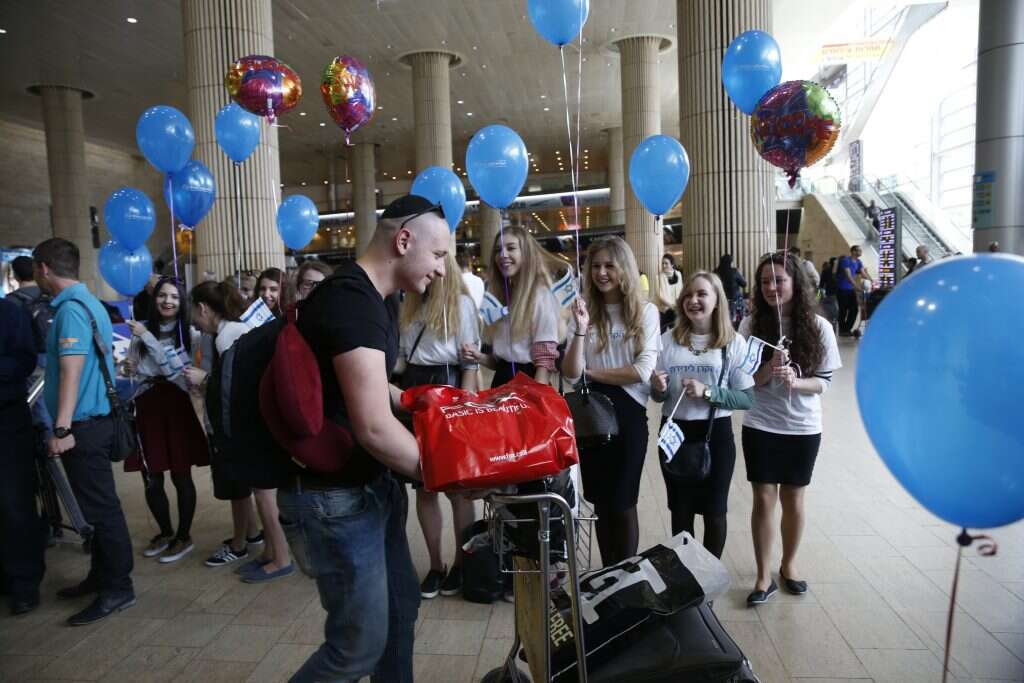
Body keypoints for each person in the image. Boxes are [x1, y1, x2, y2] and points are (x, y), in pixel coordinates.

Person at [279, 195, 449, 682]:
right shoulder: (353, 301)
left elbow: (370, 385)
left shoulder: (376, 297)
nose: (440, 270)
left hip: (370, 486)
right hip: (337, 497)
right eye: (438, 256)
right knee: (356, 646)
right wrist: (445, 474)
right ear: (403, 240)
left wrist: (415, 400)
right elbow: (372, 427)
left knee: (399, 614)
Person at [32, 238, 136, 625]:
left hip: (84, 426)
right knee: (100, 508)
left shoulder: (71, 311)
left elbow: (72, 372)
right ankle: (102, 576)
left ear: (44, 268)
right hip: (97, 421)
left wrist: (61, 427)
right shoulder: (88, 303)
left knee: (103, 511)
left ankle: (118, 589)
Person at [739, 252, 841, 606]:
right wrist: (770, 368)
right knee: (763, 497)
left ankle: (789, 565)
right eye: (765, 281)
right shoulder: (750, 326)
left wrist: (797, 381)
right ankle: (763, 574)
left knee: (794, 498)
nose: (771, 287)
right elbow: (745, 382)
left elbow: (824, 382)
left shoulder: (819, 327)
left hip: (802, 427)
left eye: (778, 280)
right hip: (761, 423)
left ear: (795, 283)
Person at [562, 237, 660, 565]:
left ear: (624, 269)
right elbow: (572, 375)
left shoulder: (645, 312)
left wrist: (594, 373)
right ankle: (608, 574)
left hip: (629, 415)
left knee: (623, 501)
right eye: (596, 266)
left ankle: (626, 574)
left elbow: (642, 371)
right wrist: (579, 330)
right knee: (601, 502)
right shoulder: (584, 311)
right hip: (591, 415)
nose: (601, 273)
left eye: (609, 265)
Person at [650, 271, 754, 558]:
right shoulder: (668, 341)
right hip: (674, 435)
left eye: (701, 294)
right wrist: (657, 387)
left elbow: (747, 398)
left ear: (717, 301)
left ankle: (708, 580)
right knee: (680, 513)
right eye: (688, 295)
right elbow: (658, 396)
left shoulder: (733, 343)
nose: (693, 301)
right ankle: (686, 579)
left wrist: (709, 392)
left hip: (716, 436)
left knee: (714, 512)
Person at [398, 252, 480, 598]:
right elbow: (403, 358)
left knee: (457, 488)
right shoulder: (410, 303)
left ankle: (464, 562)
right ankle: (436, 564)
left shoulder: (461, 306)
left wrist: (465, 412)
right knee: (423, 486)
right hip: (414, 393)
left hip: (448, 393)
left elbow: (470, 364)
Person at [121, 277, 208, 564]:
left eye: (174, 297)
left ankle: (184, 536)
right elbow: (134, 365)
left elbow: (176, 370)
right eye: (162, 296)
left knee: (180, 474)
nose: (167, 301)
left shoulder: (191, 333)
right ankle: (166, 532)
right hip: (147, 403)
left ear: (182, 301)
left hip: (176, 403)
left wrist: (146, 336)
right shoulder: (142, 329)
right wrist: (128, 366)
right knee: (151, 476)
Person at [182, 281, 264, 570]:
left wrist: (203, 380)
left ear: (204, 308)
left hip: (234, 428)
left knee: (236, 488)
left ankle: (239, 545)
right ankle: (252, 534)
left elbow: (233, 388)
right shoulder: (232, 331)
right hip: (240, 426)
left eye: (193, 311)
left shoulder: (227, 336)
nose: (192, 319)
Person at [464, 226, 561, 387]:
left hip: (530, 384)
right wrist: (478, 356)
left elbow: (544, 362)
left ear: (526, 253)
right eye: (498, 250)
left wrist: (535, 397)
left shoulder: (541, 295)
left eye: (511, 248)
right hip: (501, 383)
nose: (502, 255)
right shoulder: (501, 297)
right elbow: (501, 363)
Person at [0, 297, 47, 615]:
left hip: (6, 421)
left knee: (14, 504)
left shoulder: (9, 312)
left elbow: (25, 361)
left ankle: (24, 584)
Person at [836, 245, 870, 337]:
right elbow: (849, 276)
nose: (861, 252)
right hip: (842, 289)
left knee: (854, 309)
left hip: (850, 290)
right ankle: (842, 330)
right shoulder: (845, 260)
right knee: (843, 310)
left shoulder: (859, 262)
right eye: (859, 250)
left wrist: (871, 281)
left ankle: (847, 329)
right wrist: (857, 287)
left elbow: (863, 274)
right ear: (853, 251)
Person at [713, 254, 748, 329]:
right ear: (730, 262)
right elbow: (744, 284)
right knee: (738, 320)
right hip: (735, 300)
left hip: (721, 300)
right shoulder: (734, 272)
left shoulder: (715, 272)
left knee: (722, 319)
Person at [656, 253, 684, 332]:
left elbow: (681, 289)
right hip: (664, 309)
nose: (664, 265)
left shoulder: (678, 274)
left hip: (676, 308)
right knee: (662, 330)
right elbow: (659, 295)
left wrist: (678, 305)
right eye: (663, 263)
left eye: (666, 263)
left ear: (672, 264)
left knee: (676, 330)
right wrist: (671, 305)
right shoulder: (658, 277)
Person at [818, 258, 839, 330]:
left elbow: (821, 285)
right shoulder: (827, 271)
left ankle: (832, 328)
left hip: (834, 295)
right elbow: (821, 285)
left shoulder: (839, 272)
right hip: (830, 296)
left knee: (833, 314)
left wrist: (818, 297)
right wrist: (818, 297)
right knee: (832, 314)